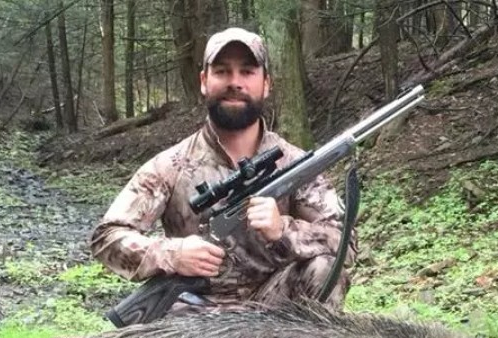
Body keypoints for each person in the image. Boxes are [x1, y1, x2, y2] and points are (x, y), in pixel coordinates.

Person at [90, 27, 356, 315]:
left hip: (276, 308)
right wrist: (171, 254)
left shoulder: (293, 163)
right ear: (204, 81)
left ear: (267, 83)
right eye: (222, 71)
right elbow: (107, 237)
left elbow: (346, 243)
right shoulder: (170, 165)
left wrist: (283, 230)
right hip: (196, 311)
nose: (235, 82)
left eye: (247, 71)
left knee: (327, 268)